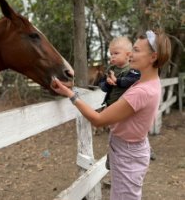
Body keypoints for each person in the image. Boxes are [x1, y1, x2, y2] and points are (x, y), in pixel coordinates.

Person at [51, 29, 171, 200]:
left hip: (127, 154)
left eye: (136, 51)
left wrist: (70, 94)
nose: (130, 55)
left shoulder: (142, 91)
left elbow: (98, 120)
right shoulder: (150, 81)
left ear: (153, 57)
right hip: (129, 149)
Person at [98, 36, 141, 170]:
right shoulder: (111, 69)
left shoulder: (132, 69)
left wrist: (117, 81)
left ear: (128, 55)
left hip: (125, 107)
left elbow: (131, 80)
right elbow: (103, 86)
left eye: (116, 53)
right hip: (111, 106)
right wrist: (107, 83)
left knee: (127, 132)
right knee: (114, 132)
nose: (112, 56)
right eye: (111, 54)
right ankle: (112, 155)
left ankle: (140, 151)